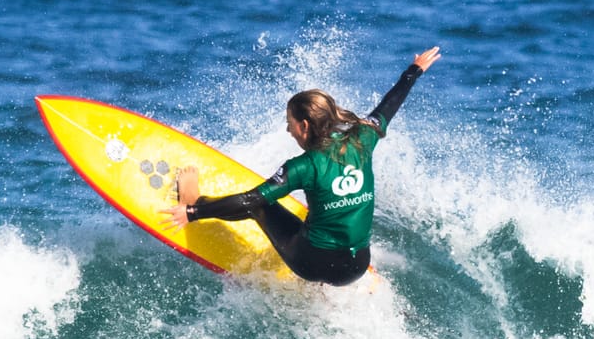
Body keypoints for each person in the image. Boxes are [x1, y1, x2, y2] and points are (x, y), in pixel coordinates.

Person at [164, 47, 441, 286]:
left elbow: (252, 199)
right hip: (357, 266)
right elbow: (387, 108)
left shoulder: (304, 165)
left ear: (305, 126)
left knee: (260, 206)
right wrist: (413, 70)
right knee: (323, 211)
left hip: (312, 266)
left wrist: (193, 212)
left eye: (290, 123)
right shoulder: (363, 138)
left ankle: (193, 198)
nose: (288, 130)